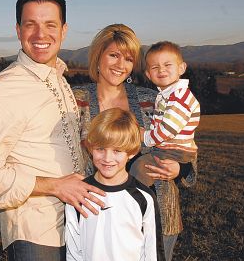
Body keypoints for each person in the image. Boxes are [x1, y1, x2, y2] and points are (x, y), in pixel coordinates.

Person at [0, 0, 105, 261]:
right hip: (35, 232)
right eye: (30, 25)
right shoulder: (0, 91)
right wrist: (55, 186)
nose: (41, 35)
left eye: (50, 25)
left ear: (64, 30)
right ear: (18, 30)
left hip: (76, 224)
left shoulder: (59, 78)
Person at [72, 24, 197, 261]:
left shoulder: (152, 99)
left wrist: (180, 169)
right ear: (98, 56)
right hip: (98, 217)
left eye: (128, 59)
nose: (121, 65)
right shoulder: (76, 100)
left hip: (158, 214)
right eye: (113, 55)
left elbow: (186, 143)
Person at [65, 108, 165, 261]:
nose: (107, 158)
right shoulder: (78, 195)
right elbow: (72, 251)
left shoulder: (144, 198)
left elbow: (152, 251)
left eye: (117, 150)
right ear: (91, 148)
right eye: (100, 149)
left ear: (131, 152)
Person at [129, 41, 200, 186]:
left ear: (181, 68)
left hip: (175, 152)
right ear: (148, 74)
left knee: (140, 170)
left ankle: (136, 201)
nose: (161, 70)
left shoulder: (179, 97)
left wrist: (146, 136)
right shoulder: (167, 95)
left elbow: (168, 129)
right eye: (155, 67)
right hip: (170, 149)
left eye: (168, 65)